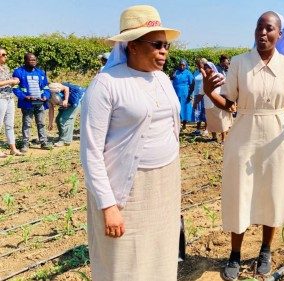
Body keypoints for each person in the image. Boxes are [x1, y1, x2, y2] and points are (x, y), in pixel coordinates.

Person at [202, 11, 284, 280]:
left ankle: (265, 249)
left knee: (272, 192)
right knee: (241, 191)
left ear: (280, 35)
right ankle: (235, 254)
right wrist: (209, 92)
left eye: (269, 29)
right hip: (244, 134)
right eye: (259, 28)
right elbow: (230, 104)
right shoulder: (239, 63)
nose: (263, 33)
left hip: (277, 135)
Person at [80, 5, 182, 281]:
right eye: (157, 44)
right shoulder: (107, 84)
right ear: (133, 46)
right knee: (124, 262)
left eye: (166, 45)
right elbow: (91, 151)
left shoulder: (162, 79)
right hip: (126, 190)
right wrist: (108, 205)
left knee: (160, 254)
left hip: (163, 183)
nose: (164, 51)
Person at [12, 53, 53, 152]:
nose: (33, 62)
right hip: (27, 103)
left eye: (34, 60)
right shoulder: (18, 72)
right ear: (25, 61)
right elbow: (15, 88)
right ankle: (25, 144)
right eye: (31, 60)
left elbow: (46, 87)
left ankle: (43, 142)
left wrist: (46, 96)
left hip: (40, 103)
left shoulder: (40, 72)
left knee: (41, 123)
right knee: (27, 124)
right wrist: (24, 97)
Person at [199, 62, 234, 143]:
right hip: (208, 102)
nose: (205, 69)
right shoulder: (204, 78)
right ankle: (214, 137)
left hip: (219, 100)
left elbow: (226, 86)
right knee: (211, 121)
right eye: (205, 67)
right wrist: (197, 101)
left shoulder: (219, 76)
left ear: (212, 68)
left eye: (207, 67)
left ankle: (224, 138)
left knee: (221, 120)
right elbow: (202, 90)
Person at [0, 47, 23, 157]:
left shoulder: (5, 68)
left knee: (10, 124)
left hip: (9, 97)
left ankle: (13, 149)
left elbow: (8, 81)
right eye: (3, 55)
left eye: (5, 54)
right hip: (1, 98)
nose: (5, 56)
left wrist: (14, 81)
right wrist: (10, 81)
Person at [48, 82, 85, 146]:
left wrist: (66, 100)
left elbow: (66, 88)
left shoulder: (52, 87)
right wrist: (50, 123)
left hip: (75, 99)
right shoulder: (46, 96)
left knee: (65, 119)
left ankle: (65, 140)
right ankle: (62, 137)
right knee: (58, 119)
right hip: (66, 103)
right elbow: (51, 109)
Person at [172, 59, 194, 130]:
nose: (182, 66)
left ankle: (184, 124)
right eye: (180, 65)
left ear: (186, 65)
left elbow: (192, 84)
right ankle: (177, 124)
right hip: (176, 93)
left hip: (185, 93)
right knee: (176, 108)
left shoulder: (188, 73)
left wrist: (190, 94)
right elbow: (172, 80)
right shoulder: (176, 72)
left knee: (185, 108)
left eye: (183, 65)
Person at [192, 58, 207, 136]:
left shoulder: (206, 71)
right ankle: (198, 129)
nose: (198, 66)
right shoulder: (195, 72)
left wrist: (203, 72)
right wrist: (191, 93)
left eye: (199, 64)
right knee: (197, 112)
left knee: (205, 112)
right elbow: (193, 83)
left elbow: (207, 81)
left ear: (203, 64)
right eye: (197, 64)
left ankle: (206, 129)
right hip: (196, 94)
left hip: (204, 95)